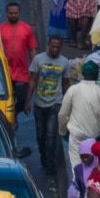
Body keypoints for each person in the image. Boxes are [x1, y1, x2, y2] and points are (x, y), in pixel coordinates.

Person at [59, 61, 100, 168]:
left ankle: (79, 183)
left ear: (82, 74)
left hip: (76, 135)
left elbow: (63, 114)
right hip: (95, 135)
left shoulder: (72, 90)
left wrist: (62, 131)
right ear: (97, 75)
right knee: (94, 166)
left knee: (77, 166)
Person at [28, 36, 70, 174]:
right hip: (39, 104)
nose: (55, 49)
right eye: (53, 46)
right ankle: (44, 159)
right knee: (41, 136)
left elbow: (65, 84)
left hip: (55, 104)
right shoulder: (38, 59)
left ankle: (51, 166)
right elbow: (33, 80)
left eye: (58, 47)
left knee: (52, 135)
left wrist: (67, 104)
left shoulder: (64, 62)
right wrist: (28, 101)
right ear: (48, 45)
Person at [0, 2, 37, 121]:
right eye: (11, 13)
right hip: (5, 70)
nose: (13, 15)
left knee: (21, 100)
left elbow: (31, 48)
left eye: (16, 13)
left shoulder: (27, 29)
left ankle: (13, 114)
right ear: (7, 13)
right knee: (6, 98)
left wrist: (35, 65)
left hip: (21, 71)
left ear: (19, 13)